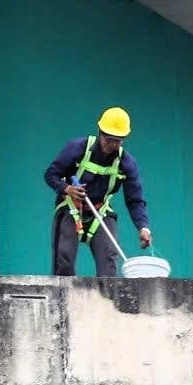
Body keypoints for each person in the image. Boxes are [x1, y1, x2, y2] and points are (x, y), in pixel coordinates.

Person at [44, 106, 151, 277]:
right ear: (100, 133)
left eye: (118, 140)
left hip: (100, 212)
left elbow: (135, 200)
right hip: (71, 208)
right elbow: (51, 175)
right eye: (109, 139)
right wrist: (67, 189)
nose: (112, 144)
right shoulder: (78, 148)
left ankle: (106, 294)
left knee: (108, 261)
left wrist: (143, 227)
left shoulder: (126, 163)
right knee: (64, 259)